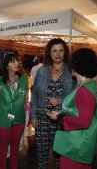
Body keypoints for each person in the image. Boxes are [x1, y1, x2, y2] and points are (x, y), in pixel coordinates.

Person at [47, 48, 97, 169]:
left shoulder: (85, 90)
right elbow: (78, 111)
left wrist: (59, 117)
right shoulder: (85, 86)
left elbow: (84, 122)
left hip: (76, 149)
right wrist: (61, 112)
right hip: (74, 145)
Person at [30, 38, 75, 169]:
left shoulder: (71, 71)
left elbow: (76, 96)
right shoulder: (42, 71)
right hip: (42, 118)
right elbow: (35, 95)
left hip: (61, 119)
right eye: (54, 50)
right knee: (41, 156)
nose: (58, 53)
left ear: (65, 52)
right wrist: (33, 116)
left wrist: (62, 99)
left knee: (59, 156)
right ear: (49, 52)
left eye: (61, 50)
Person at [0, 53, 28, 169]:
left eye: (17, 61)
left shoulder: (23, 79)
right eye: (13, 61)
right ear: (6, 65)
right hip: (3, 120)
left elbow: (26, 98)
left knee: (15, 148)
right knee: (2, 149)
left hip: (19, 118)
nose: (17, 63)